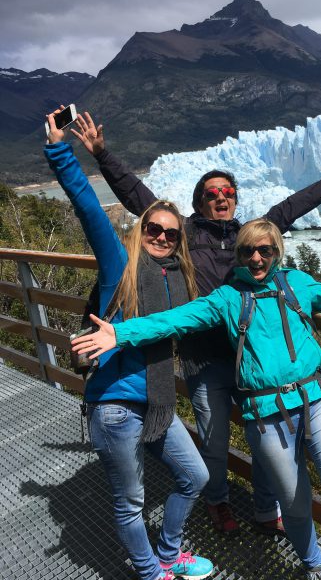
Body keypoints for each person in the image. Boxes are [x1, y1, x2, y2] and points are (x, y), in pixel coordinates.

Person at [72, 218, 321, 580]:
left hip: (320, 398)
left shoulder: (297, 283)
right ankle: (314, 565)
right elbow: (173, 320)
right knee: (294, 505)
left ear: (278, 251)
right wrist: (120, 332)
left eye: (266, 250)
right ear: (239, 256)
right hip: (266, 414)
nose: (257, 258)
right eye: (248, 251)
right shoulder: (228, 298)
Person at [71, 111, 321, 535]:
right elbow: (141, 199)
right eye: (211, 193)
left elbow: (287, 209)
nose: (220, 198)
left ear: (235, 199)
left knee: (266, 443)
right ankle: (217, 502)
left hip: (252, 363)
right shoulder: (187, 234)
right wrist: (101, 153)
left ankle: (265, 509)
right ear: (199, 201)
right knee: (216, 443)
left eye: (227, 192)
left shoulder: (248, 238)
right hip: (205, 363)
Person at [44, 109, 213, 580]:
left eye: (170, 233)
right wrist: (62, 149)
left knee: (194, 476)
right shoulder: (120, 262)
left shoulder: (181, 279)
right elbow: (88, 207)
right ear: (141, 230)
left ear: (179, 241)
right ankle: (149, 570)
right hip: (117, 405)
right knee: (131, 501)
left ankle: (169, 552)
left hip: (157, 402)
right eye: (153, 228)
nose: (160, 236)